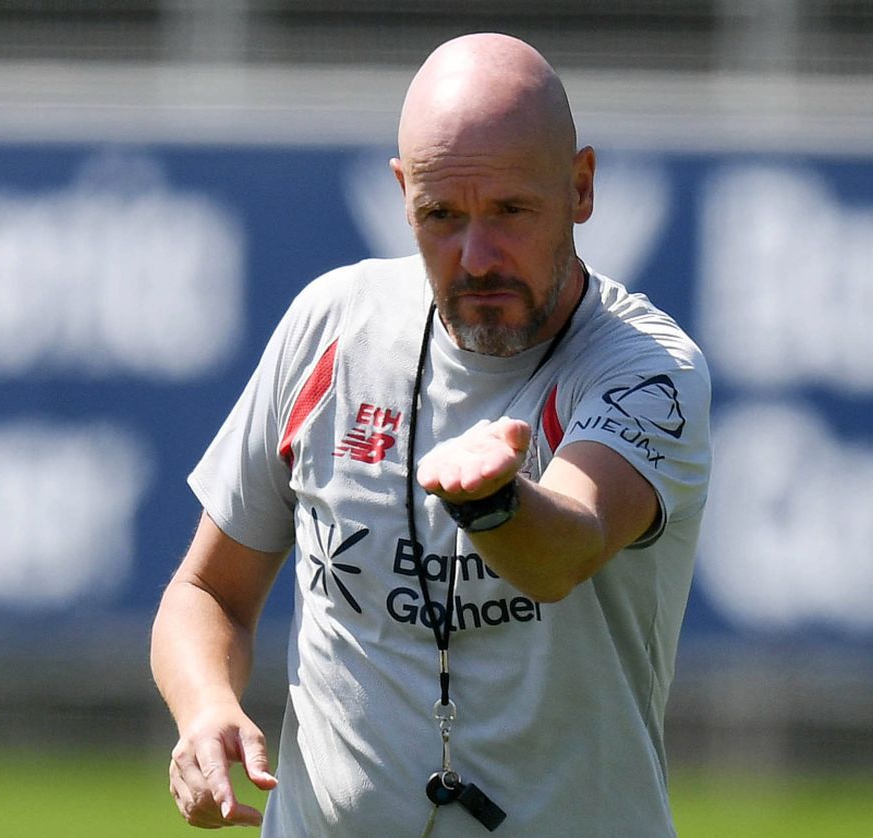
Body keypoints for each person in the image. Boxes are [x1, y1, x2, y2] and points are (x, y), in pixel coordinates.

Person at [150, 32, 711, 837]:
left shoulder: (647, 368)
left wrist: (493, 502)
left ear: (580, 187)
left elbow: (564, 552)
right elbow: (208, 593)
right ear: (402, 192)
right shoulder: (332, 327)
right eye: (441, 215)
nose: (476, 257)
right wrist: (205, 709)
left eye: (511, 211)